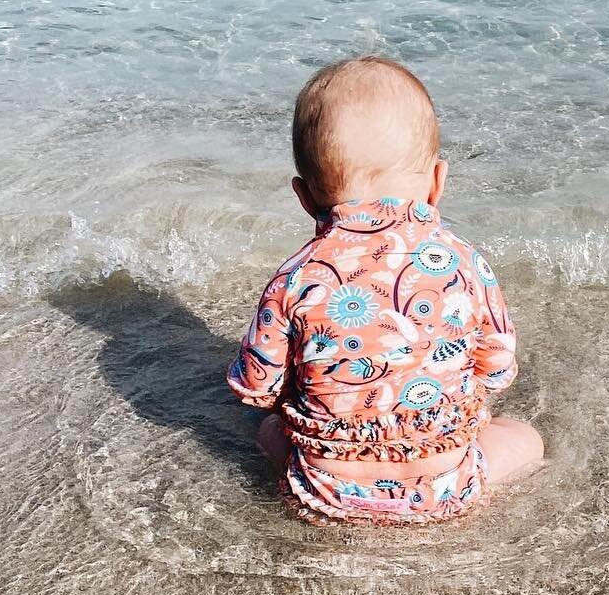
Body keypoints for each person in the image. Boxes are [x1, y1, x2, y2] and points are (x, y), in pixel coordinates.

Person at [227, 56, 545, 524]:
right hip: (445, 487)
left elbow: (256, 386)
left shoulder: (295, 276)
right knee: (524, 438)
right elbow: (496, 369)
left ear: (304, 195)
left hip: (326, 488)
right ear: (438, 181)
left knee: (269, 431)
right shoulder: (463, 262)